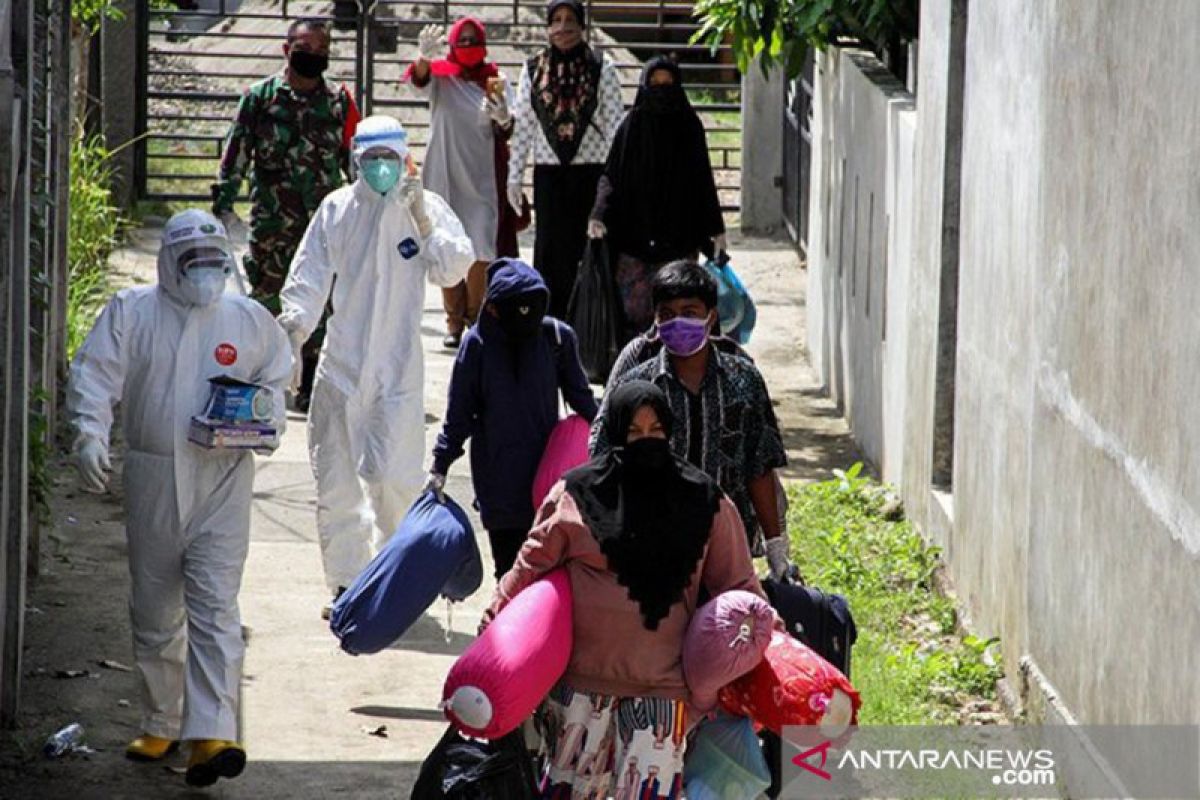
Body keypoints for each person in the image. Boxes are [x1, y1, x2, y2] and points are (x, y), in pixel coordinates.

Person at [66, 210, 292, 787]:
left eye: (215, 264)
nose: (205, 275)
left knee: (216, 604)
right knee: (156, 605)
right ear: (169, 263)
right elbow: (94, 374)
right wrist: (90, 434)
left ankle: (211, 733)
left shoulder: (247, 320)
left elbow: (275, 377)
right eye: (194, 264)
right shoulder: (133, 313)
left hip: (222, 477)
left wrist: (263, 422)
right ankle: (163, 717)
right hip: (152, 477)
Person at [482, 381, 765, 797]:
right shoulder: (575, 495)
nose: (646, 442)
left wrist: (762, 657)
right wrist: (492, 627)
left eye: (656, 432)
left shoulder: (705, 502)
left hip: (663, 693)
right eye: (633, 432)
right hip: (580, 691)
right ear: (614, 434)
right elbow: (530, 567)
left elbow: (739, 588)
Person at [278, 115, 473, 616]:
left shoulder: (421, 208)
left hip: (397, 373)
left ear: (405, 159)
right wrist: (292, 334)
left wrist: (424, 218)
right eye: (372, 160)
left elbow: (454, 266)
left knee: (394, 479)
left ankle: (396, 581)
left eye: (390, 159)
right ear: (356, 162)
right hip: (341, 370)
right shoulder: (338, 210)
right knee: (337, 483)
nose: (381, 169)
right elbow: (309, 275)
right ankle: (346, 585)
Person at [591, 260, 793, 578]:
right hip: (653, 548)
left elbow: (760, 466)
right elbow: (602, 457)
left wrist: (777, 548)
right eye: (667, 314)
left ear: (711, 316)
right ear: (655, 319)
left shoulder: (743, 380)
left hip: (727, 547)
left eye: (690, 312)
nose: (678, 322)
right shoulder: (637, 385)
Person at [212, 17, 360, 412]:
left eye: (320, 51)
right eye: (304, 48)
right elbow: (235, 156)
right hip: (273, 226)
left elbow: (354, 163)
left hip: (323, 229)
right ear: (286, 49)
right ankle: (264, 379)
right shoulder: (260, 98)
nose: (311, 57)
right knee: (267, 301)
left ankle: (310, 382)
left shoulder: (339, 103)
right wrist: (223, 207)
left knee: (321, 303)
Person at [426, 258, 598, 579]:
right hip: (498, 484)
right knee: (509, 573)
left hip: (549, 480)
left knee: (550, 574)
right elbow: (458, 414)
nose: (525, 319)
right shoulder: (477, 345)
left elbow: (583, 400)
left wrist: (614, 441)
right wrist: (440, 465)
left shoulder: (557, 338)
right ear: (492, 309)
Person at [588, 56, 728, 343]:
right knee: (634, 315)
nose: (662, 91)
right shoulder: (632, 126)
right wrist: (598, 214)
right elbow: (611, 175)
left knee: (677, 313)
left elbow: (702, 179)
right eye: (655, 85)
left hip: (679, 239)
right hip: (633, 241)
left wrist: (716, 228)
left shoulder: (689, 127)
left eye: (668, 85)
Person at [407, 17, 526, 350]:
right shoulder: (442, 77)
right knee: (446, 244)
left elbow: (508, 124)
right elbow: (417, 81)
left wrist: (502, 116)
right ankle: (453, 320)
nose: (469, 47)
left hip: (482, 175)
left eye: (475, 41)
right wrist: (424, 58)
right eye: (463, 40)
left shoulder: (496, 79)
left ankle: (477, 317)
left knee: (480, 247)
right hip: (445, 172)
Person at [507, 0, 623, 320]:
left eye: (571, 20)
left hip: (592, 177)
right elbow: (524, 129)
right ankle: (550, 330)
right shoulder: (532, 70)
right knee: (549, 256)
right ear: (547, 28)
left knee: (590, 256)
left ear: (583, 26)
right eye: (555, 20)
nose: (563, 28)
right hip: (550, 178)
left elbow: (616, 129)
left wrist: (614, 184)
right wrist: (514, 178)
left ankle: (590, 334)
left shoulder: (603, 67)